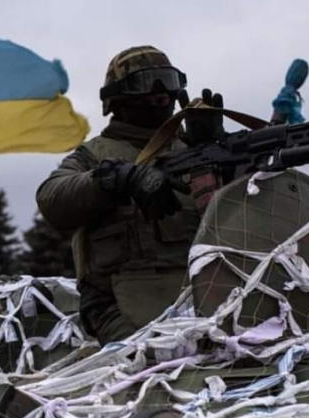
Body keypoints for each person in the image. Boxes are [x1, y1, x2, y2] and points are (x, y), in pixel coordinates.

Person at [36, 45, 224, 346]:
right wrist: (118, 179)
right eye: (145, 83)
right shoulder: (94, 155)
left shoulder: (191, 148)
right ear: (118, 98)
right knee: (157, 362)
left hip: (206, 297)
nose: (160, 93)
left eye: (168, 80)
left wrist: (216, 152)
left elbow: (245, 214)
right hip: (118, 306)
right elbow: (51, 198)